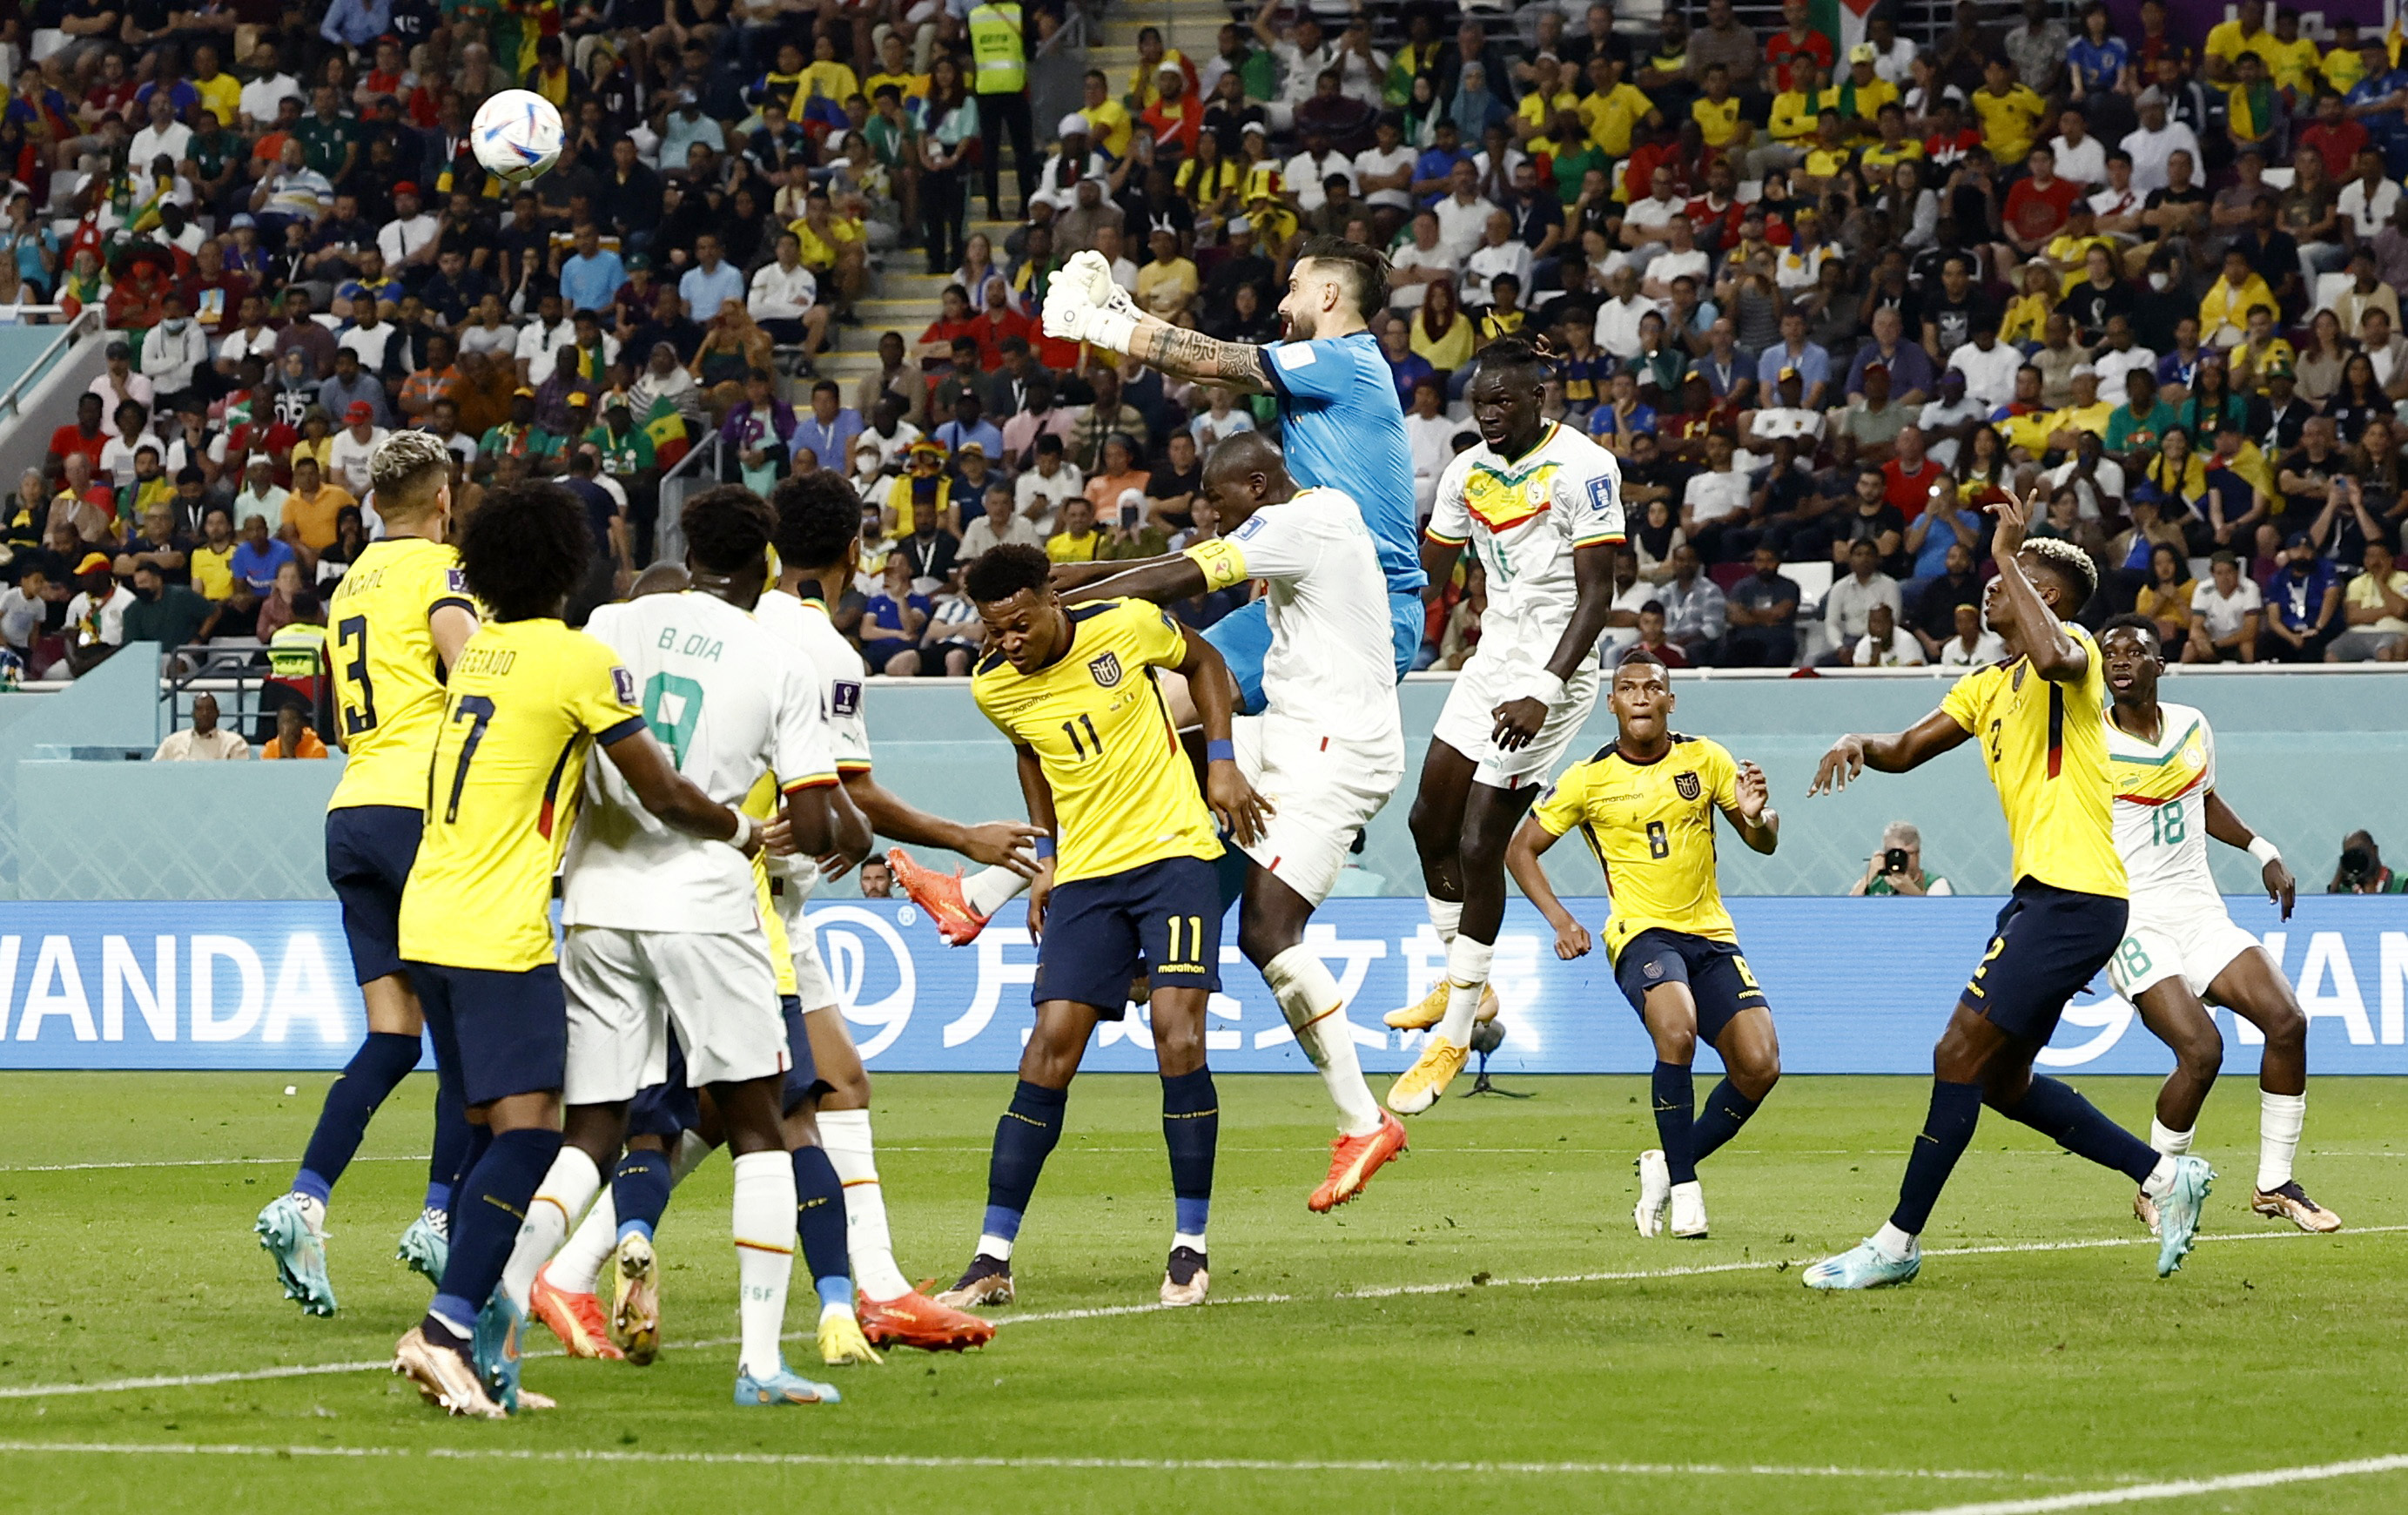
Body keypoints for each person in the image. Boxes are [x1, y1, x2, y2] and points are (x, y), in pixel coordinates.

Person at [388, 480, 761, 1419]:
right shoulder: (574, 659)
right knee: (532, 1137)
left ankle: (478, 1351)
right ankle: (441, 1332)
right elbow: (662, 792)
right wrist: (748, 832)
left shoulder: (477, 653)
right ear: (570, 566)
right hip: (493, 929)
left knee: (486, 1140)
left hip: (426, 915)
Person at [490, 483, 864, 1408]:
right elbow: (817, 817)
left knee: (594, 1129)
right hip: (706, 906)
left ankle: (494, 1319)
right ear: (767, 564)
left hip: (597, 902)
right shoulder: (780, 657)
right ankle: (760, 1363)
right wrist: (809, 832)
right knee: (761, 1128)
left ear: (686, 552)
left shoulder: (613, 624)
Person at [1801, 492, 2214, 1290]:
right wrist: (1860, 741)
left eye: (2011, 580)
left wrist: (2005, 554)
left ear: (2045, 594)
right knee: (2000, 1079)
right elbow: (1909, 747)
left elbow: (2055, 655)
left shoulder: (2080, 655)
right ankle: (2164, 1176)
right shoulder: (1988, 685)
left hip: (2078, 894)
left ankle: (1895, 1243)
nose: (1991, 590)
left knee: (1955, 1052)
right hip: (2043, 896)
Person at [1043, 433, 1410, 1211]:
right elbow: (1190, 566)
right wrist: (1094, 576)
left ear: (1256, 483)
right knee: (1145, 740)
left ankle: (1363, 1121)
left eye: (1220, 502)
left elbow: (1181, 577)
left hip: (1336, 750)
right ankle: (983, 891)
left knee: (1269, 934)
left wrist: (1072, 597)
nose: (1213, 519)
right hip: (1288, 732)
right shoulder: (1294, 524)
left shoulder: (1307, 521)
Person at [929, 544, 1263, 1312]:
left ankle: (1190, 1249)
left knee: (1177, 1034)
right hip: (1084, 877)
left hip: (1174, 855)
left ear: (1053, 599)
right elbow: (1030, 758)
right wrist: (1045, 859)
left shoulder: (1127, 625)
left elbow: (1208, 664)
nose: (1007, 642)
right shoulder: (993, 687)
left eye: (1017, 623)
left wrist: (1219, 761)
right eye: (993, 630)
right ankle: (991, 1259)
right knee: (1049, 1050)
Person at [254, 434, 480, 1319]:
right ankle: (440, 1218)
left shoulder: (348, 582)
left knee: (394, 1037)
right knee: (468, 1036)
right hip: (421, 810)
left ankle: (305, 1201)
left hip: (350, 811)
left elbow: (347, 721)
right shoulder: (440, 570)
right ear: (444, 498)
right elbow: (468, 673)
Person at [1036, 236, 1426, 715]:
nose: (1282, 303)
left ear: (1327, 296)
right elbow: (1215, 370)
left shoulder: (1345, 361)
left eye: (1294, 288)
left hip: (1363, 609)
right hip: (1297, 599)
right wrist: (1121, 311)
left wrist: (1095, 325)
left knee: (1303, 779)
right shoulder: (1317, 365)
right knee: (1144, 715)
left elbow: (1212, 359)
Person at [1387, 337, 1624, 1114]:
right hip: (1490, 661)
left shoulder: (1585, 468)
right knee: (1429, 820)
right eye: (1479, 403)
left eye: (1503, 402)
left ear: (1539, 398)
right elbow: (1434, 572)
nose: (1488, 413)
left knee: (1482, 839)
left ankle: (1455, 1032)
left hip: (1555, 672)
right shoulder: (1466, 471)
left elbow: (1597, 596)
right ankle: (1466, 980)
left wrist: (1546, 689)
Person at [1507, 652, 1779, 1240]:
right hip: (1641, 934)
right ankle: (1686, 1191)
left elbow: (1763, 843)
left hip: (1711, 934)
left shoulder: (1705, 759)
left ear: (1669, 700)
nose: (1639, 696)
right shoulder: (1587, 778)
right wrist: (1561, 921)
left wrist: (1758, 820)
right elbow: (1519, 849)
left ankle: (1665, 1164)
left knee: (1759, 1066)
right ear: (1612, 703)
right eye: (1627, 688)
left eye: (1652, 687)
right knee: (1676, 1030)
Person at [2097, 615, 2338, 1236]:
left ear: (2159, 665)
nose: (2119, 660)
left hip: (2199, 909)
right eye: (2109, 653)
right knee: (2202, 1050)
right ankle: (2156, 1184)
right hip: (2131, 919)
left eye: (2135, 650)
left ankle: (2275, 1184)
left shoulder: (2192, 724)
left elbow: (2202, 801)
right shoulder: (2086, 742)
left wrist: (2263, 850)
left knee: (2287, 1021)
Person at [1851, 820, 1954, 897]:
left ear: (1918, 854)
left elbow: (1939, 919)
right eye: (1894, 853)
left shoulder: (1935, 883)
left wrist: (1912, 892)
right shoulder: (1873, 884)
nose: (1899, 859)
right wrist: (1868, 878)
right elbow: (1845, 913)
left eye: (1906, 854)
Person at [154, 691, 250, 760]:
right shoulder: (171, 743)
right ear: (193, 714)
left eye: (209, 709)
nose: (204, 713)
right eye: (199, 709)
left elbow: (240, 778)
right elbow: (154, 773)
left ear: (217, 713)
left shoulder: (234, 743)